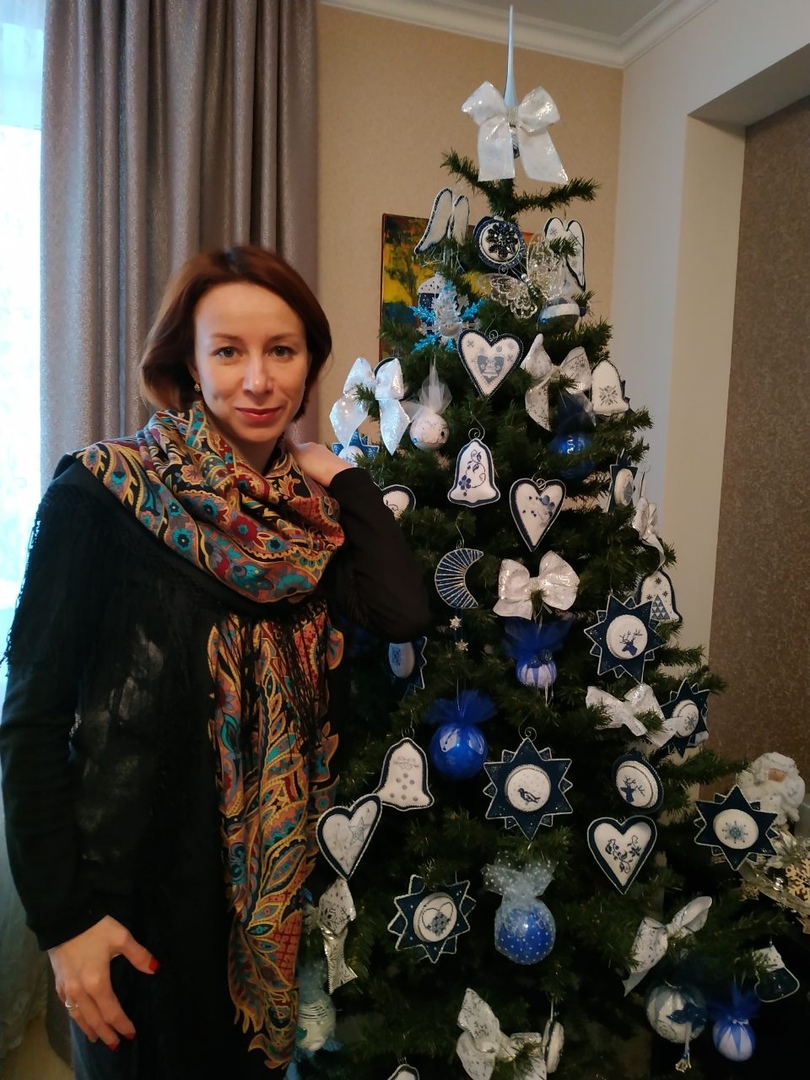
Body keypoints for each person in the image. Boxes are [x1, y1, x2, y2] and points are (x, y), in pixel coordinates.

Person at [0, 246, 431, 1079]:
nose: (258, 380)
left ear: (309, 366)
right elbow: (30, 719)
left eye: (282, 351)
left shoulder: (305, 521)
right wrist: (63, 922)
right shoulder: (101, 492)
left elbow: (402, 610)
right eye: (228, 350)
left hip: (269, 908)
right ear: (189, 365)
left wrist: (343, 477)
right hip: (131, 906)